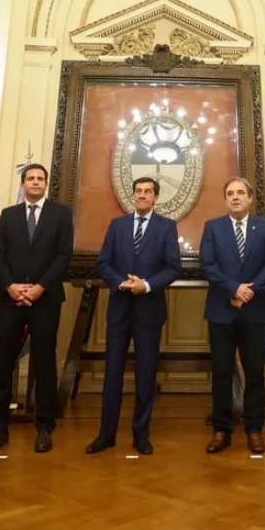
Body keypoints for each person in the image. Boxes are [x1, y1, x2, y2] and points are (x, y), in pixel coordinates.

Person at [87, 177, 181, 456]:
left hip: (149, 311)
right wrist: (122, 283)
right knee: (112, 374)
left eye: (147, 192)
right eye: (138, 192)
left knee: (145, 373)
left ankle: (141, 435)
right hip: (119, 309)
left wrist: (146, 285)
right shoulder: (117, 226)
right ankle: (106, 434)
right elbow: (103, 262)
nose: (142, 196)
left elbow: (173, 267)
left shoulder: (167, 227)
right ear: (133, 196)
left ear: (155, 198)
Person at [0, 164, 73, 454]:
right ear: (22, 184)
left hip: (45, 299)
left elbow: (63, 256)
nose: (35, 182)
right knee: (4, 362)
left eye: (40, 179)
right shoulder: (8, 215)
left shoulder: (61, 214)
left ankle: (44, 427)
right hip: (11, 299)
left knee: (45, 363)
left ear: (46, 184)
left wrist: (39, 288)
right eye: (30, 178)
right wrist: (11, 287)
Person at [199, 176, 265, 455]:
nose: (235, 197)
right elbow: (208, 266)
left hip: (255, 311)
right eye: (230, 193)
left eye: (240, 193)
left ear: (249, 198)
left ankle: (254, 429)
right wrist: (233, 289)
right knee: (221, 373)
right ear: (225, 199)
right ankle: (221, 430)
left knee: (255, 373)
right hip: (222, 311)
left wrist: (249, 291)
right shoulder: (213, 228)